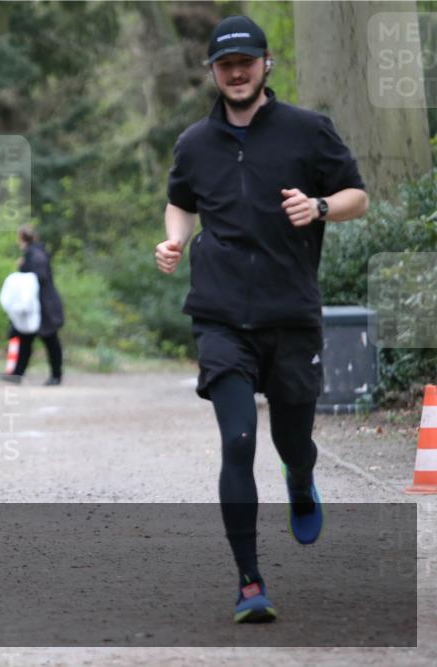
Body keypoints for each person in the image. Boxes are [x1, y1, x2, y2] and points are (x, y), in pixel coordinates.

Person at [155, 15, 368, 623]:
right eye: (226, 65)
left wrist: (320, 206)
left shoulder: (307, 130)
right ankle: (250, 582)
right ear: (213, 72)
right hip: (220, 314)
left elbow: (357, 196)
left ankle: (299, 476)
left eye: (246, 62)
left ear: (265, 63)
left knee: (292, 439)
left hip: (291, 313)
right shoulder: (195, 143)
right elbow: (180, 201)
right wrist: (175, 240)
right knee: (238, 439)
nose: (237, 73)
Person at [1, 226, 65, 385]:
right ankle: (17, 374)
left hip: (44, 307)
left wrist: (24, 267)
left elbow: (39, 277)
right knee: (23, 339)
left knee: (50, 341)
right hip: (32, 306)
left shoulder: (35, 255)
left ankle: (56, 376)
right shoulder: (34, 253)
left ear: (21, 238)